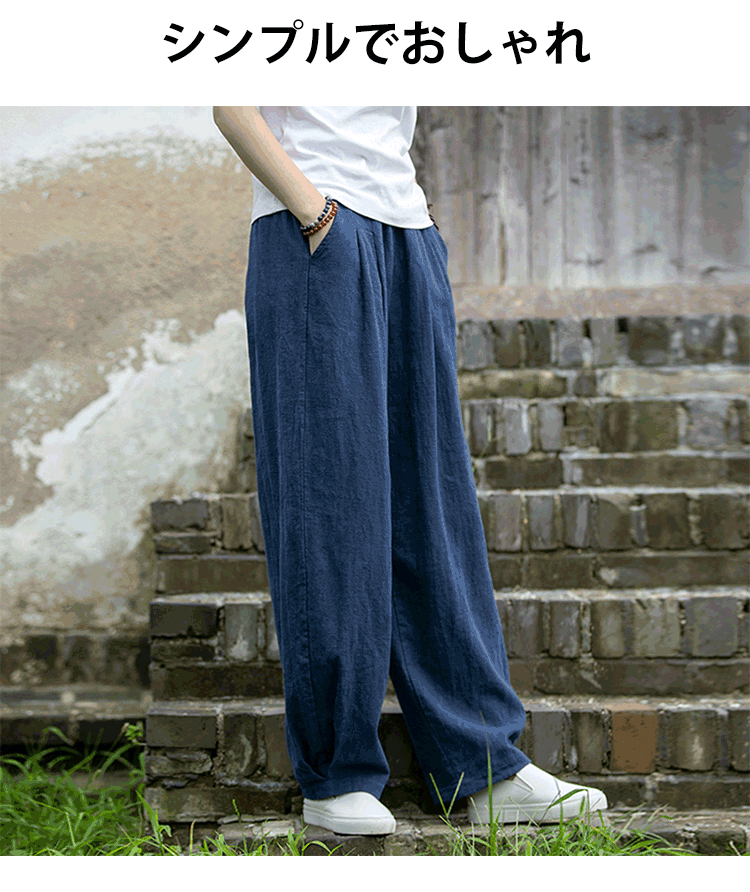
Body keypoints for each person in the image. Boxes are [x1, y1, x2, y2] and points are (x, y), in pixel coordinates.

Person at [212, 106, 608, 836]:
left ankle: (483, 765)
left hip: (407, 230)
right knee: (330, 500)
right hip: (315, 227)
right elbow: (230, 101)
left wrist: (417, 224)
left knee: (433, 503)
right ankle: (336, 773)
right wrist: (314, 212)